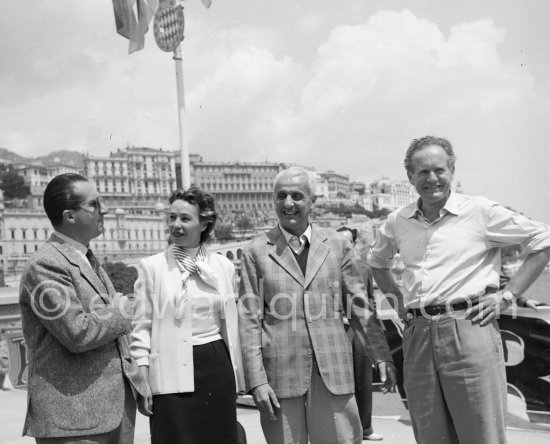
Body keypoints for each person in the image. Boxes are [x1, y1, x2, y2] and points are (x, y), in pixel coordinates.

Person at [367, 136, 550, 444]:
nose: (432, 179)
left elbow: (542, 240)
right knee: (430, 435)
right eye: (422, 172)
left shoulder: (479, 211)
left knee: (482, 434)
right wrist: (398, 302)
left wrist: (506, 296)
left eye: (439, 169)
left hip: (470, 329)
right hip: (418, 334)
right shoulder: (398, 221)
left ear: (451, 169)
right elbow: (377, 262)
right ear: (410, 176)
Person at [238, 166, 397, 444]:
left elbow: (360, 307)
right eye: (281, 196)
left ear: (313, 201)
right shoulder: (255, 251)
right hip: (280, 378)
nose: (288, 203)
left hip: (333, 372)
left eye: (297, 196)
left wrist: (381, 356)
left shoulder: (337, 244)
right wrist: (257, 381)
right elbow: (250, 320)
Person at [19, 173, 148, 444]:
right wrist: (124, 309)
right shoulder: (45, 264)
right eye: (95, 204)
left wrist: (137, 382)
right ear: (70, 216)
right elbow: (78, 332)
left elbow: (114, 337)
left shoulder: (87, 258)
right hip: (75, 421)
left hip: (114, 411)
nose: (106, 210)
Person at [130, 186, 244, 444]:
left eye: (185, 218)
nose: (176, 225)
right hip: (169, 371)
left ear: (204, 223)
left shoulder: (222, 267)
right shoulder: (153, 268)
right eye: (172, 218)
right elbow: (142, 327)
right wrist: (143, 377)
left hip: (216, 368)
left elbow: (231, 325)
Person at [336, 227, 383, 441]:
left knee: (363, 380)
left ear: (353, 243)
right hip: (336, 330)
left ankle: (366, 428)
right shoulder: (325, 269)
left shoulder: (364, 269)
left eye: (348, 242)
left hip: (359, 332)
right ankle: (343, 430)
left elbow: (371, 301)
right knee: (339, 382)